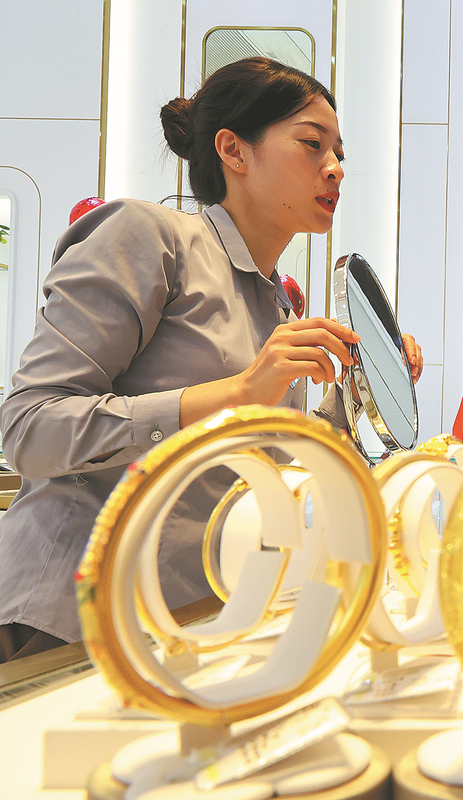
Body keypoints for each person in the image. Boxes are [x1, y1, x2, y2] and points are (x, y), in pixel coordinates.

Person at [0, 58, 421, 662]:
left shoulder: (279, 304)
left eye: (340, 153)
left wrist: (362, 392)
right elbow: (29, 427)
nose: (335, 168)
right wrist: (237, 394)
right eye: (312, 144)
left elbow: (263, 465)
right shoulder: (148, 237)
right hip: (72, 621)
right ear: (233, 150)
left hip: (192, 628)